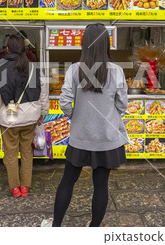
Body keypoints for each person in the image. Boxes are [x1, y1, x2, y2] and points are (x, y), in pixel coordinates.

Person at [42, 23, 130, 227]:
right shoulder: (116, 71)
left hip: (80, 137)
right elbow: (122, 104)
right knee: (101, 185)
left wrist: (78, 116)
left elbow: (64, 102)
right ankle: (93, 229)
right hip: (106, 138)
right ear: (106, 44)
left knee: (67, 180)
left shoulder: (74, 69)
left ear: (85, 44)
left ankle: (56, 226)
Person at [0, 34, 48, 198]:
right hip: (30, 119)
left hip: (9, 120)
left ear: (7, 50)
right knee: (27, 152)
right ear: (25, 50)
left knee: (11, 154)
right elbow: (44, 95)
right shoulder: (35, 69)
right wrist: (42, 113)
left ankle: (15, 188)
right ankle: (25, 186)